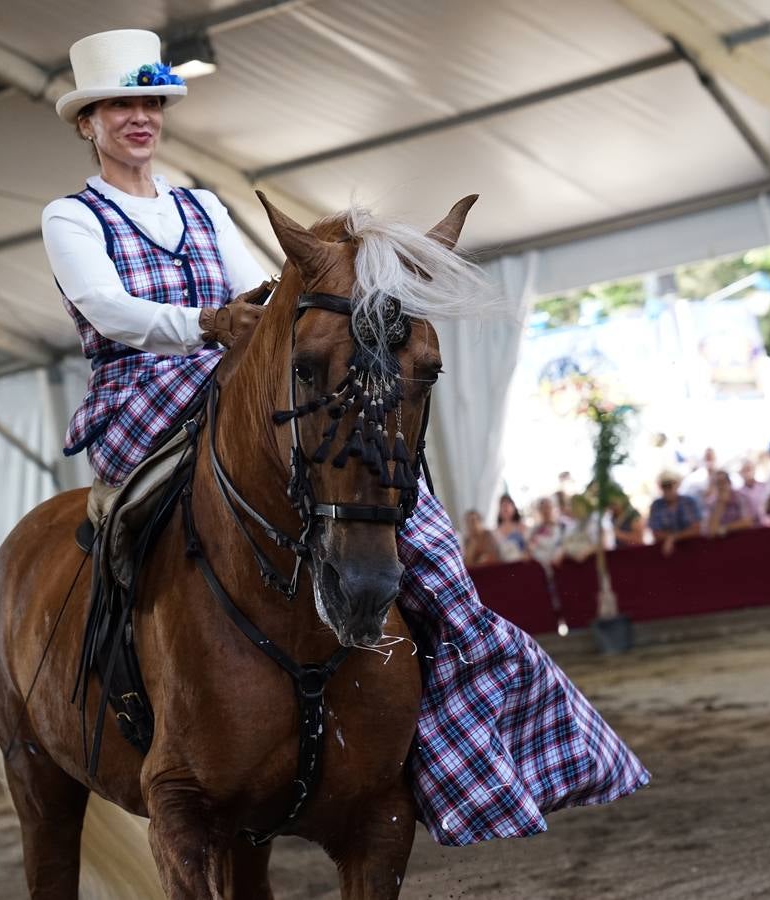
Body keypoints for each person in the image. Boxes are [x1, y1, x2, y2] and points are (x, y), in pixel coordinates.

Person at [40, 29, 645, 847]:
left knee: (377, 479)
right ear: (90, 123)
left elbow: (254, 282)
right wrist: (209, 321)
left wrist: (276, 303)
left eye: (149, 103)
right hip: (141, 384)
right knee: (139, 512)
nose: (139, 118)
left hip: (234, 365)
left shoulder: (201, 206)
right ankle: (120, 669)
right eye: (121, 106)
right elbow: (106, 307)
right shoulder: (71, 216)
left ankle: (459, 679)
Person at [647, 471, 702, 556]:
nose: (668, 488)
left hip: (692, 552)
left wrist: (672, 538)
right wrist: (672, 537)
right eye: (665, 485)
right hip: (667, 554)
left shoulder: (689, 501)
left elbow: (696, 529)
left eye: (670, 484)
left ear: (677, 485)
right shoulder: (656, 505)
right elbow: (656, 533)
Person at [703, 470, 756, 537]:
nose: (721, 486)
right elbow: (711, 531)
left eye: (723, 482)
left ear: (729, 483)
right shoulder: (710, 503)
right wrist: (721, 504)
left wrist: (724, 529)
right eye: (718, 483)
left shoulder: (741, 497)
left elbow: (748, 522)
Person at [528, 496, 569, 566]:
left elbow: (566, 544)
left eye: (548, 507)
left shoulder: (563, 527)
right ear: (539, 510)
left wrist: (561, 552)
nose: (546, 511)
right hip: (541, 567)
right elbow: (530, 548)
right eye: (543, 508)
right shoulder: (534, 530)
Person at [493, 493, 529, 562]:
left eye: (508, 504)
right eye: (502, 505)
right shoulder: (494, 533)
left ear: (514, 508)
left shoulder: (523, 528)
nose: (505, 507)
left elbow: (529, 549)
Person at [737, 459, 770, 527]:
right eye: (745, 470)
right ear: (741, 473)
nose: (747, 472)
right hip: (750, 527)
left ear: (754, 470)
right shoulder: (738, 493)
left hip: (768, 524)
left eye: (749, 469)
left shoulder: (764, 486)